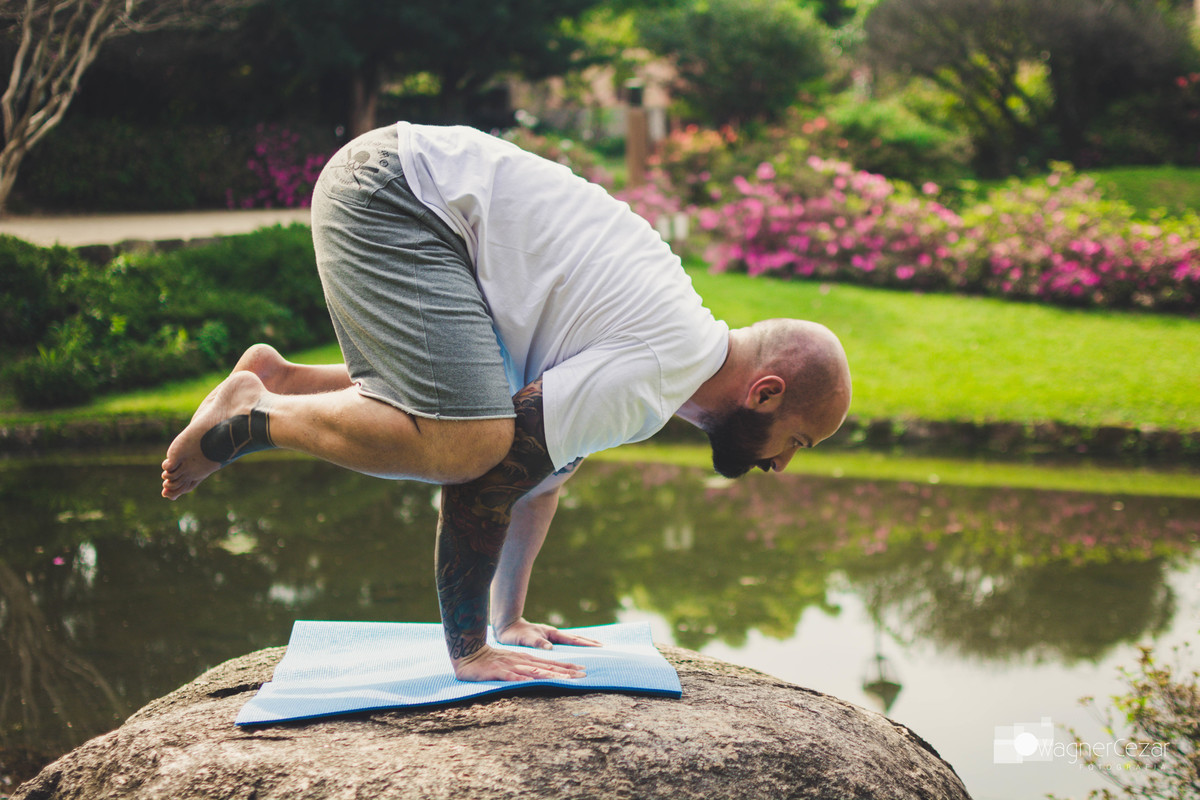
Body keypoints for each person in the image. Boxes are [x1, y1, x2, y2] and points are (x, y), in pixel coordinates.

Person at [161, 122, 852, 684]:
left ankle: (280, 383)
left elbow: (541, 476)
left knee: (495, 434)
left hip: (403, 183)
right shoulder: (658, 369)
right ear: (766, 393)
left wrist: (509, 620)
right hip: (398, 197)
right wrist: (470, 651)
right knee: (469, 445)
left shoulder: (666, 354)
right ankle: (256, 416)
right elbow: (489, 481)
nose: (783, 464)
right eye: (797, 441)